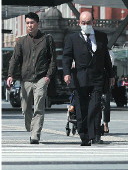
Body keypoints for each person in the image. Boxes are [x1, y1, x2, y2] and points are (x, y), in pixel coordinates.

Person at [63, 10, 114, 146]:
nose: (86, 25)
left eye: (88, 22)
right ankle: (84, 135)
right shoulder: (72, 38)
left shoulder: (101, 36)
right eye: (83, 23)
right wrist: (66, 73)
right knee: (82, 108)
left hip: (97, 77)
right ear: (79, 23)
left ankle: (95, 134)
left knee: (95, 106)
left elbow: (106, 57)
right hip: (80, 78)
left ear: (93, 22)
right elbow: (67, 57)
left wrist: (111, 75)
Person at [6, 12, 57, 144]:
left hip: (41, 78)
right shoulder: (21, 41)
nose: (29, 25)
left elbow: (53, 60)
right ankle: (31, 127)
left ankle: (35, 135)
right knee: (25, 108)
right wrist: (10, 75)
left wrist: (48, 76)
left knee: (39, 106)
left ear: (37, 24)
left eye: (32, 23)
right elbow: (15, 59)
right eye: (27, 23)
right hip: (26, 79)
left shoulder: (47, 39)